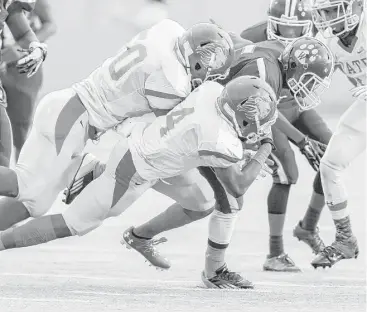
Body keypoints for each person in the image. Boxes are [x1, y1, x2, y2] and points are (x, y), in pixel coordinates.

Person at [63, 36, 335, 288]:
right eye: (310, 80)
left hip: (199, 117)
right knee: (228, 199)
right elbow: (240, 109)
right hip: (203, 125)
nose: (310, 89)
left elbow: (235, 43)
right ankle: (214, 271)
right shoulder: (265, 73)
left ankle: (132, 223)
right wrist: (263, 146)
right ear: (295, 66)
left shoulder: (275, 53)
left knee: (189, 192)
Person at [0, 76, 278, 290]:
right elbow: (238, 185)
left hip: (157, 153)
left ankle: (97, 178)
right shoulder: (218, 138)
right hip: (132, 170)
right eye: (259, 119)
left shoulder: (213, 91)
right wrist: (266, 145)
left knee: (203, 201)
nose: (261, 125)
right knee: (74, 223)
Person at [0, 19, 234, 233]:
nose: (207, 72)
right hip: (73, 116)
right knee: (27, 185)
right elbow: (173, 127)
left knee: (35, 203)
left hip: (69, 110)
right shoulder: (172, 82)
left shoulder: (168, 30)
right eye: (207, 64)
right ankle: (85, 170)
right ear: (195, 55)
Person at [239, 0, 333, 272]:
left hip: (296, 103)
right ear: (271, 23)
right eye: (284, 28)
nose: (290, 36)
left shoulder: (318, 31)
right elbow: (259, 99)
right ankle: (275, 252)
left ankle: (308, 226)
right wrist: (302, 141)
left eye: (297, 30)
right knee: (286, 174)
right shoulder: (252, 38)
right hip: (268, 110)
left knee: (333, 155)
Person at [308, 0, 366, 269]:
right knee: (330, 166)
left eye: (336, 9)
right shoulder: (328, 41)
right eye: (326, 11)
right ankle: (345, 238)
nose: (330, 17)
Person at [1, 0, 56, 161]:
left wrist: (20, 49)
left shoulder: (18, 7)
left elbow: (50, 25)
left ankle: (20, 176)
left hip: (21, 68)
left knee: (20, 131)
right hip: (3, 63)